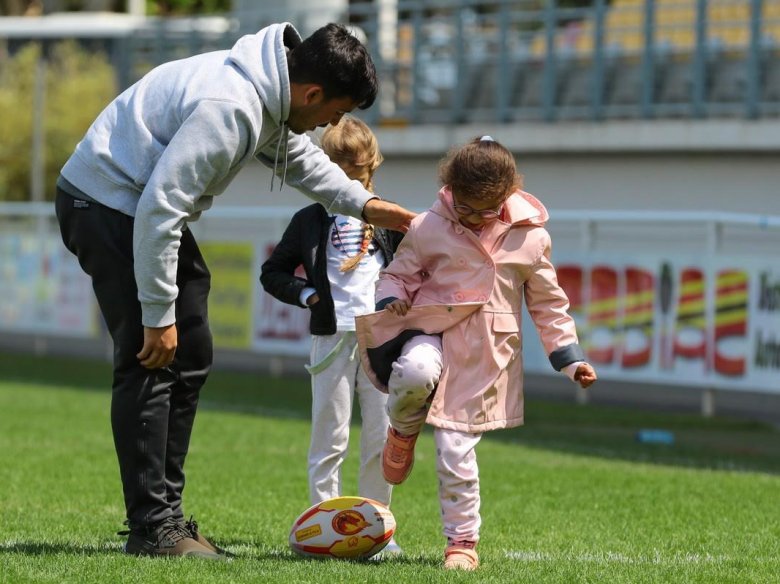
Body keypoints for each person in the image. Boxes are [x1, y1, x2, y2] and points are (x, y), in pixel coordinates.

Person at [54, 22, 415, 559]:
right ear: (313, 94)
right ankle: (153, 527)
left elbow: (303, 163)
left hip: (132, 208)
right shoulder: (233, 104)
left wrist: (365, 206)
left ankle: (167, 519)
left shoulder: (271, 94)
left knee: (192, 350)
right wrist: (158, 314)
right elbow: (162, 206)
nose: (329, 126)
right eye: (334, 114)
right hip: (106, 205)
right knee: (153, 356)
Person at [355, 136, 598, 571]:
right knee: (412, 371)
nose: (468, 217)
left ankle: (462, 543)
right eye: (461, 206)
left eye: (481, 210)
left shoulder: (532, 237)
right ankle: (403, 431)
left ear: (505, 198)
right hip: (432, 329)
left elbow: (548, 303)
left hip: (486, 354)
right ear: (450, 190)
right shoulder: (430, 224)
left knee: (455, 449)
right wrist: (389, 297)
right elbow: (397, 274)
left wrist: (569, 357)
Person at [260, 115, 404, 554]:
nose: (347, 186)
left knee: (380, 435)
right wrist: (308, 296)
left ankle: (377, 529)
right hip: (330, 339)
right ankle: (328, 525)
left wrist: (402, 303)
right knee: (330, 434)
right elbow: (273, 272)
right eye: (337, 176)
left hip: (380, 342)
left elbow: (412, 274)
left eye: (356, 176)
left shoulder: (390, 219)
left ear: (371, 168)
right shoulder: (308, 220)